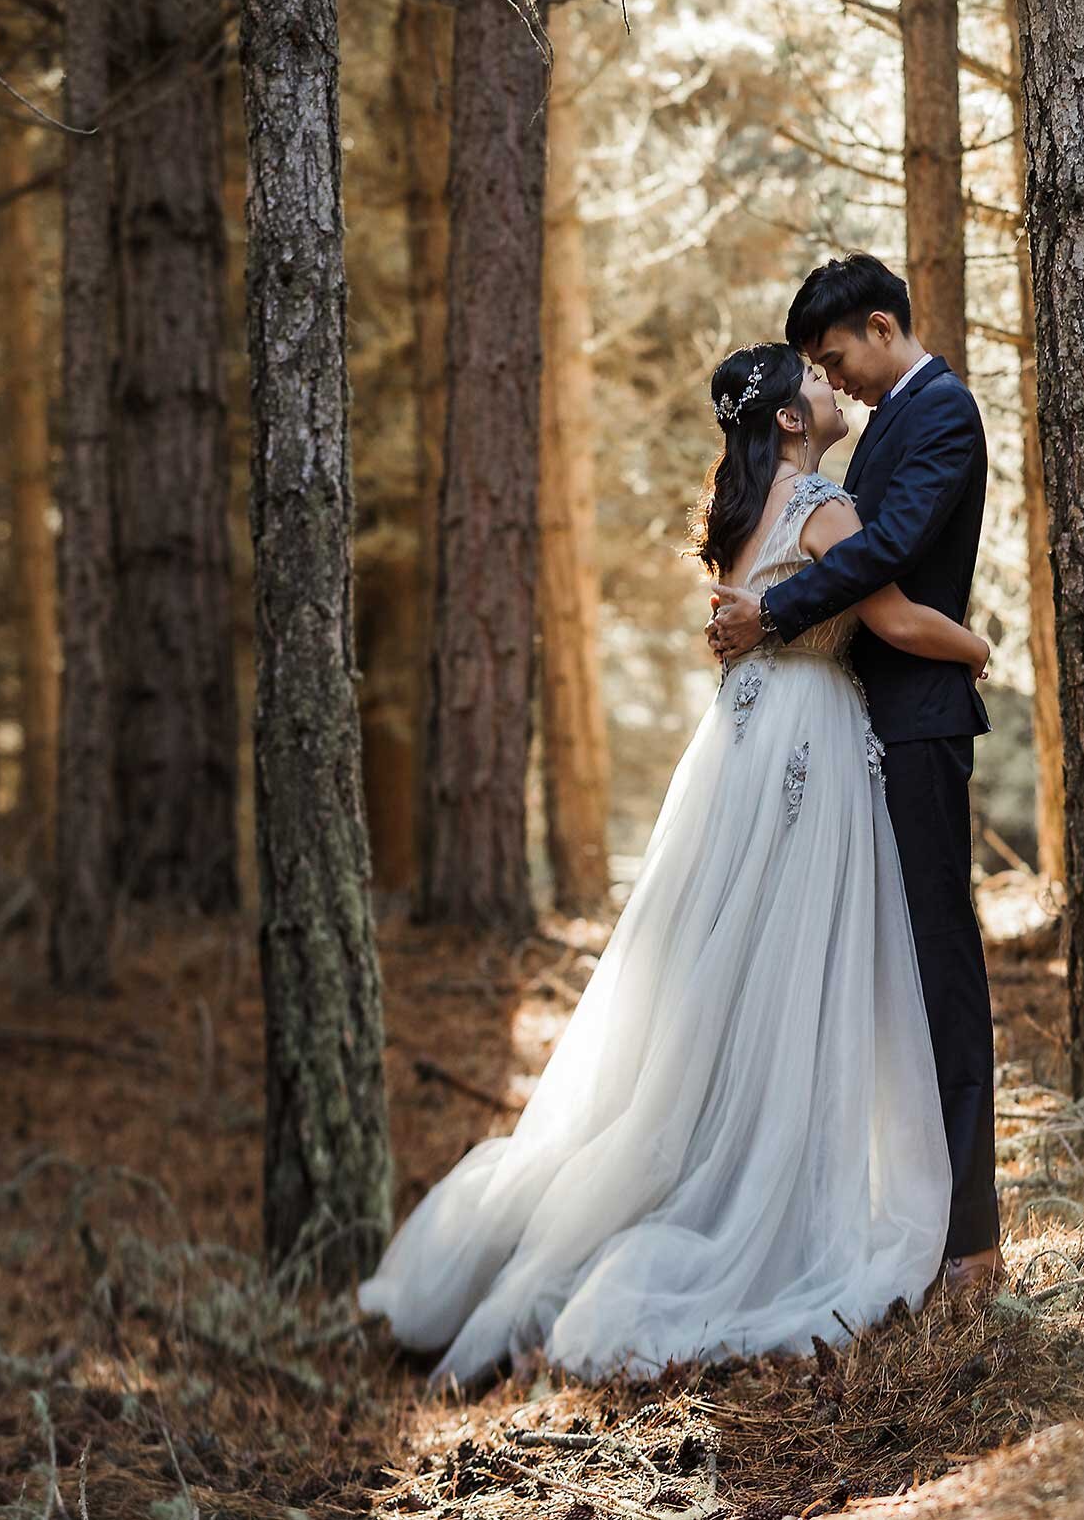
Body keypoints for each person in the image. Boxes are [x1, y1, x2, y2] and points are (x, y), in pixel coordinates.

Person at [356, 342, 990, 1385]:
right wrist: (975, 648)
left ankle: (674, 1173)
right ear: (789, 418)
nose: (832, 388)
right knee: (794, 972)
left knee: (720, 969)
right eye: (815, 382)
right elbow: (891, 618)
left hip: (740, 742)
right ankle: (763, 1192)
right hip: (808, 744)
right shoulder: (824, 506)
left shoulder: (740, 514)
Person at [706, 254, 1002, 1296]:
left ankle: (970, 1238)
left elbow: (893, 550)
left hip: (913, 726)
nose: (838, 378)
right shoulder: (875, 431)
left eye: (838, 357)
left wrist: (773, 611)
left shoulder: (943, 413)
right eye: (819, 370)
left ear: (883, 326)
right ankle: (881, 1210)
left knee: (937, 975)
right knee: (867, 982)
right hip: (850, 731)